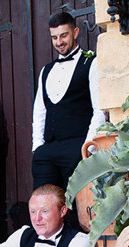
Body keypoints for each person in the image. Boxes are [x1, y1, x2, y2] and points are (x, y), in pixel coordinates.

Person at [31, 12, 105, 191]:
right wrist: (38, 147)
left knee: (75, 207)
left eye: (63, 35)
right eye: (54, 37)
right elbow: (40, 111)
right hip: (47, 150)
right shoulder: (46, 70)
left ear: (76, 32)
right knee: (44, 204)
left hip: (77, 148)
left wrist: (87, 149)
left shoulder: (91, 63)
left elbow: (100, 109)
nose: (59, 42)